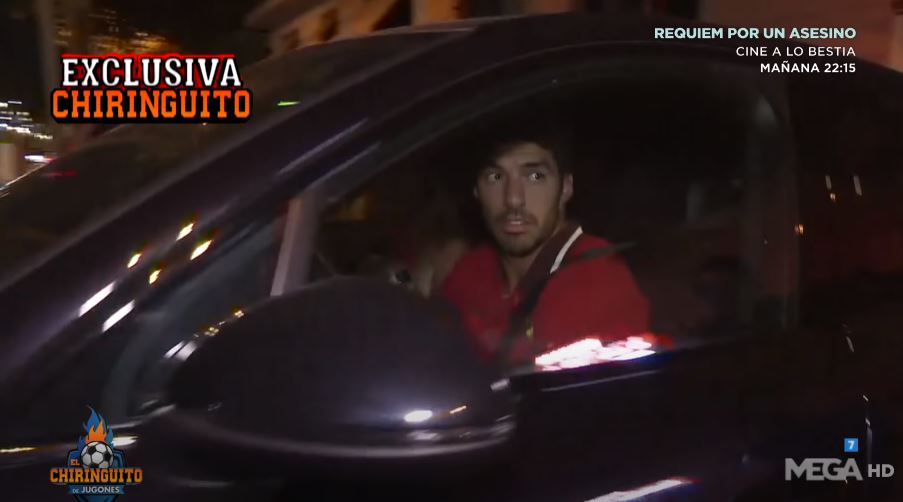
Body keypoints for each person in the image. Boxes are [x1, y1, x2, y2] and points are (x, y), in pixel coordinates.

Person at [439, 124, 651, 366]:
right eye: (495, 177)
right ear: (476, 190)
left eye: (535, 177)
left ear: (565, 188)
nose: (513, 199)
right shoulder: (470, 272)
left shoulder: (598, 282)